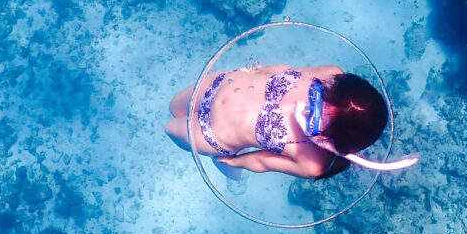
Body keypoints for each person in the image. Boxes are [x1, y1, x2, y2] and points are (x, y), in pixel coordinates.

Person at [165, 65, 411, 179]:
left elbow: (262, 161)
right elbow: (288, 69)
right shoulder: (331, 74)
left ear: (329, 141)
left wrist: (236, 161)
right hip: (219, 83)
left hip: (212, 135)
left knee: (168, 127)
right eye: (317, 95)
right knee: (173, 106)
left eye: (313, 121)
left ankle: (228, 171)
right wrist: (259, 70)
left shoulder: (312, 163)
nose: (302, 108)